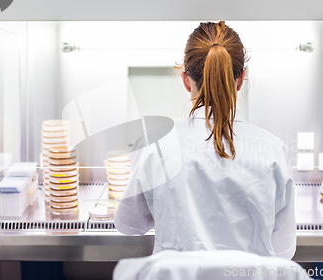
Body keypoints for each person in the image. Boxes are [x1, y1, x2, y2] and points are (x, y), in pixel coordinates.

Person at [114, 21, 296, 259]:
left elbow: (130, 224)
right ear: (241, 80)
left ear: (185, 80)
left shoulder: (156, 146)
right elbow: (283, 249)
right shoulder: (273, 150)